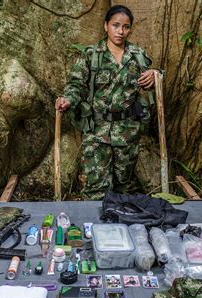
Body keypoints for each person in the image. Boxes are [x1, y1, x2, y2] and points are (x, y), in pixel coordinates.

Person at [56, 5, 156, 200]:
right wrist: (67, 99)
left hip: (127, 132)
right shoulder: (91, 55)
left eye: (126, 27)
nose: (120, 31)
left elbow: (151, 83)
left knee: (122, 188)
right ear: (105, 26)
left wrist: (156, 75)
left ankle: (116, 229)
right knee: (95, 190)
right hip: (97, 132)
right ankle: (94, 228)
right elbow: (76, 84)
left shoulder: (137, 56)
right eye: (115, 25)